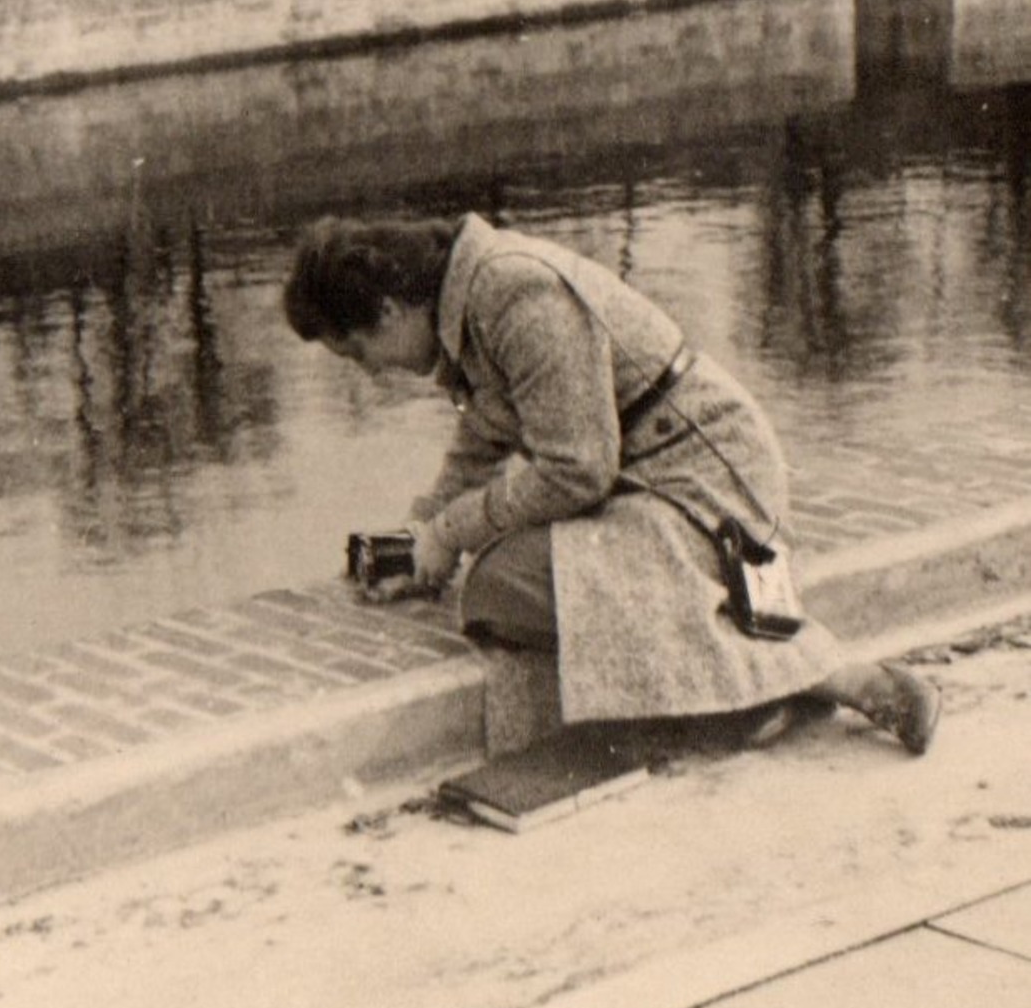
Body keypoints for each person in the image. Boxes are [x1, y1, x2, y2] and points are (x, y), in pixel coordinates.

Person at [283, 210, 941, 755]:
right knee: (516, 581)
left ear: (391, 311)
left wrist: (453, 532)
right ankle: (750, 684)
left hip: (707, 488)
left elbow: (578, 470)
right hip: (654, 482)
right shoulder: (474, 296)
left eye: (357, 353)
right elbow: (484, 439)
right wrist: (423, 531)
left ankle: (819, 680)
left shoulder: (514, 293)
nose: (369, 373)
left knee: (500, 585)